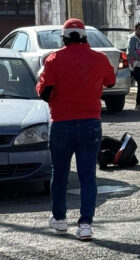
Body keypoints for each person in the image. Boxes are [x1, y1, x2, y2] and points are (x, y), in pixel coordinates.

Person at [36, 18, 116, 241]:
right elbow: (110, 81)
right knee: (88, 177)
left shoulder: (54, 59)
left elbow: (44, 92)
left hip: (61, 123)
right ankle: (85, 225)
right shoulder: (99, 59)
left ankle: (60, 219)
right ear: (84, 36)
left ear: (63, 37)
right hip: (91, 123)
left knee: (59, 174)